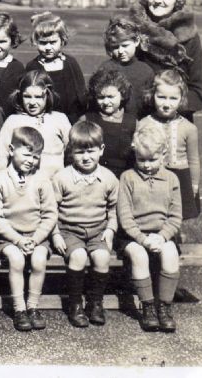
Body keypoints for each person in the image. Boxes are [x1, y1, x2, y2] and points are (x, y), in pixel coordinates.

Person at [51, 121, 119, 328]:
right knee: (78, 256)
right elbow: (51, 209)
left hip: (98, 229)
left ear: (101, 150)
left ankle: (95, 303)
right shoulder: (62, 177)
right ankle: (75, 303)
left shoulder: (108, 178)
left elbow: (113, 210)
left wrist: (110, 229)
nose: (86, 157)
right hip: (69, 230)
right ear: (70, 152)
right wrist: (55, 233)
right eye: (80, 152)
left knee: (102, 256)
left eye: (91, 151)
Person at [0, 126, 57, 332]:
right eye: (27, 154)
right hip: (8, 237)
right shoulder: (0, 179)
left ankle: (32, 307)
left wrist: (36, 239)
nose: (31, 160)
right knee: (17, 259)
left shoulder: (41, 179)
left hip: (36, 235)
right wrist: (18, 240)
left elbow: (49, 214)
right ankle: (19, 309)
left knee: (38, 260)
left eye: (36, 157)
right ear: (11, 150)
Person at [117, 125, 182, 333]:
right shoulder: (127, 177)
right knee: (139, 256)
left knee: (171, 253)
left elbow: (175, 217)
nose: (146, 165)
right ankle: (148, 307)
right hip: (133, 236)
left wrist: (162, 237)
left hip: (161, 235)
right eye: (141, 159)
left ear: (163, 155)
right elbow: (125, 218)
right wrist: (142, 239)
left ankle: (164, 307)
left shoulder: (172, 179)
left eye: (152, 160)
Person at [130, 0, 202, 120]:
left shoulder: (188, 35)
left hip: (176, 118)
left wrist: (168, 105)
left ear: (177, 0)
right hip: (138, 116)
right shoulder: (132, 28)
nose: (158, 0)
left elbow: (199, 91)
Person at [138, 69, 200, 220]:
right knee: (155, 214)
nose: (166, 104)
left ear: (181, 99)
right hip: (153, 175)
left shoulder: (189, 128)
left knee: (176, 217)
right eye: (161, 97)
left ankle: (175, 239)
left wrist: (194, 185)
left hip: (180, 178)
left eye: (173, 98)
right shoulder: (143, 124)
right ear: (152, 96)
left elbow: (194, 160)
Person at [0, 70, 71, 177]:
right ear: (20, 95)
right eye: (27, 96)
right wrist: (1, 180)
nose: (32, 103)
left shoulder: (60, 119)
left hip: (54, 184)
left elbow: (71, 152)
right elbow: (1, 156)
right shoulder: (13, 121)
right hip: (24, 186)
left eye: (38, 97)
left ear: (48, 95)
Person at [26, 12, 85, 123]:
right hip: (43, 121)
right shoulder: (33, 66)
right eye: (43, 43)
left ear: (62, 40)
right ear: (36, 42)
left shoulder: (71, 63)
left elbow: (81, 95)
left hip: (71, 120)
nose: (48, 47)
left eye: (53, 42)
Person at [82, 68, 136, 178]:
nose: (106, 102)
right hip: (94, 176)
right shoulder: (86, 119)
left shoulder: (132, 123)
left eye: (111, 97)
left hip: (123, 176)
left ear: (122, 95)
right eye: (101, 97)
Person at [97, 16, 154, 119]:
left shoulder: (146, 71)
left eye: (125, 45)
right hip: (111, 122)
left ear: (136, 41)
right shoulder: (105, 68)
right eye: (115, 47)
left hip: (139, 123)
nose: (120, 51)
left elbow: (150, 105)